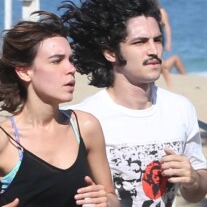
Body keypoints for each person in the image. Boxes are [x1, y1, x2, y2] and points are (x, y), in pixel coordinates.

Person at [59, 0, 207, 206]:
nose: (153, 50)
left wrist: (193, 178)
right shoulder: (83, 118)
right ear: (110, 52)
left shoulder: (180, 108)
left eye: (157, 40)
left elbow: (196, 192)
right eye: (140, 42)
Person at [0, 11, 119, 207]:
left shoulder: (85, 127)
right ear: (24, 71)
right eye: (57, 61)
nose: (71, 69)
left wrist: (107, 201)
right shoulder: (5, 140)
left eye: (70, 60)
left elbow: (112, 198)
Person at [145, 0, 186, 89]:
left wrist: (169, 42)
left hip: (158, 40)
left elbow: (167, 26)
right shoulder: (145, 12)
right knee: (159, 62)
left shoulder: (160, 11)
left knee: (161, 61)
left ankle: (170, 85)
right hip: (149, 40)